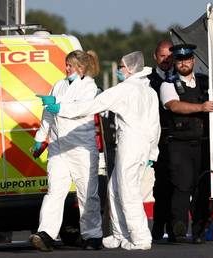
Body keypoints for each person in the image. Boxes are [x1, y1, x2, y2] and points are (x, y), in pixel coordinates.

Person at [44, 51, 160, 250]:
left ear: (131, 69)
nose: (119, 70)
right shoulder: (148, 91)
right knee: (114, 189)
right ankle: (119, 234)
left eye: (121, 66)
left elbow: (92, 106)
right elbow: (155, 124)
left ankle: (141, 239)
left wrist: (60, 109)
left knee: (127, 191)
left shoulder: (124, 89)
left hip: (130, 145)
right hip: (142, 145)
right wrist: (152, 152)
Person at [29, 50, 103, 251]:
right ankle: (45, 234)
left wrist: (58, 107)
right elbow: (48, 114)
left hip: (81, 147)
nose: (66, 68)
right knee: (55, 191)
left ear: (80, 68)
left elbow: (82, 109)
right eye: (66, 64)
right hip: (58, 147)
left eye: (70, 65)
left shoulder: (89, 87)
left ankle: (92, 235)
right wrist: (40, 138)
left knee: (87, 193)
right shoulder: (59, 85)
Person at [159, 44, 213, 244]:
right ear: (175, 62)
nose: (184, 63)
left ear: (193, 61)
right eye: (179, 60)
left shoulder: (206, 83)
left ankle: (200, 230)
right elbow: (174, 105)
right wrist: (201, 107)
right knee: (182, 186)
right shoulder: (169, 84)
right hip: (180, 144)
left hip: (203, 143)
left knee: (203, 189)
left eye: (187, 59)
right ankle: (178, 228)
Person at [147, 39, 174, 240]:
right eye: (162, 56)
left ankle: (175, 227)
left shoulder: (180, 77)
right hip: (158, 138)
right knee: (161, 185)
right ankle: (158, 225)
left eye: (169, 56)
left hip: (178, 138)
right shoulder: (147, 80)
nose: (166, 60)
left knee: (178, 185)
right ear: (155, 57)